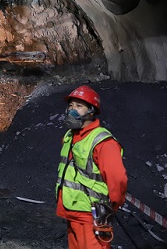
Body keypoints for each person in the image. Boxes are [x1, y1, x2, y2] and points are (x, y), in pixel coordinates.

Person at [56, 85, 127, 249]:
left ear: (91, 111)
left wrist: (110, 208)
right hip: (72, 211)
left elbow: (117, 179)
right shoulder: (70, 136)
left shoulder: (103, 142)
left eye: (79, 106)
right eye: (71, 105)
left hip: (91, 215)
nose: (72, 110)